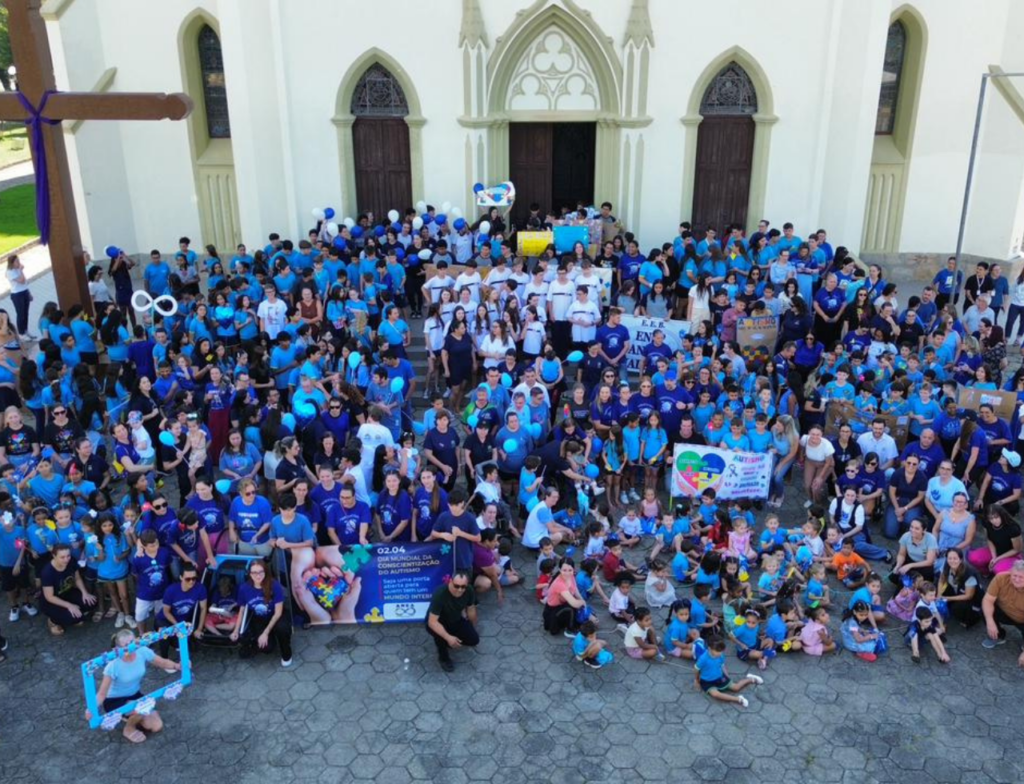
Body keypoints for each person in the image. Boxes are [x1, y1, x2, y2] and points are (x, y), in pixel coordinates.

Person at [88, 629, 181, 744]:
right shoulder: (113, 665)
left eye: (132, 642)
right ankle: (128, 728)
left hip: (134, 694)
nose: (130, 647)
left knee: (156, 726)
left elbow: (161, 662)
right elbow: (102, 694)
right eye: (126, 645)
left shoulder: (142, 650)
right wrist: (91, 709)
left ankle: (131, 715)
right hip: (114, 700)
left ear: (136, 641)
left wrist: (177, 666)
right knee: (141, 708)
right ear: (118, 649)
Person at [230, 560, 292, 667]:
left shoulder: (274, 585)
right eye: (254, 572)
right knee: (266, 648)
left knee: (282, 628)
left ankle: (286, 652)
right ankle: (267, 638)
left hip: (277, 615)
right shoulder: (244, 588)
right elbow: (242, 610)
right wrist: (236, 630)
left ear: (265, 572)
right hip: (260, 619)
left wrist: (266, 633)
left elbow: (278, 612)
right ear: (249, 574)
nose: (258, 575)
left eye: (260, 572)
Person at [426, 570, 479, 672]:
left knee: (474, 640)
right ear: (450, 582)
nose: (459, 590)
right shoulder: (440, 594)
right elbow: (432, 622)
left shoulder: (469, 590)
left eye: (463, 586)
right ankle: (443, 658)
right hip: (438, 622)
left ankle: (450, 640)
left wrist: (472, 626)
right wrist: (448, 637)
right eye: (456, 586)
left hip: (455, 619)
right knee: (440, 637)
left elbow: (471, 609)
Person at [39, 543, 97, 635]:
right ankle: (53, 621)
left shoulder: (71, 561)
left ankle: (75, 613)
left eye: (68, 556)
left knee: (91, 602)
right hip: (52, 601)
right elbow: (49, 597)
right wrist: (69, 605)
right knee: (74, 617)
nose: (66, 559)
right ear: (54, 556)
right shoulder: (47, 572)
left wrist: (84, 593)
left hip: (67, 592)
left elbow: (77, 578)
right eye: (62, 557)